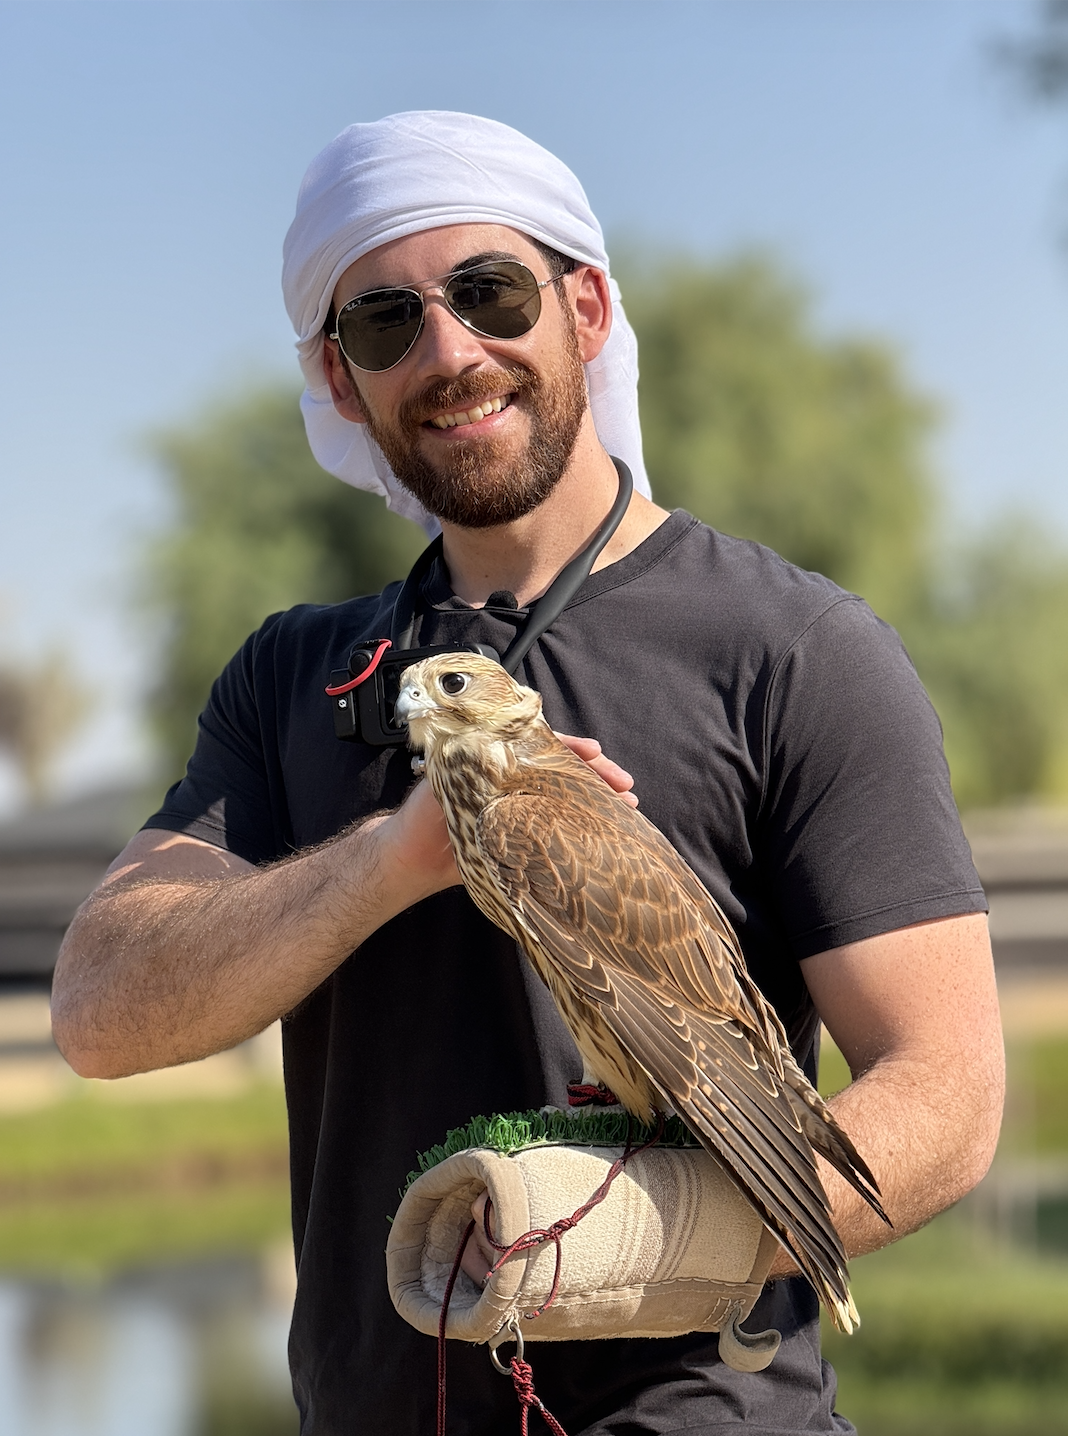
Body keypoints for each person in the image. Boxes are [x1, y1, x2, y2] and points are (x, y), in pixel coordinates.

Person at [51, 112, 1003, 1436]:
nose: (450, 352)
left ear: (588, 308)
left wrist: (627, 1238)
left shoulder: (790, 648)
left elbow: (949, 1098)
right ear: (339, 379)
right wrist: (396, 858)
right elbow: (100, 1014)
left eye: (490, 292)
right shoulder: (297, 675)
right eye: (383, 324)